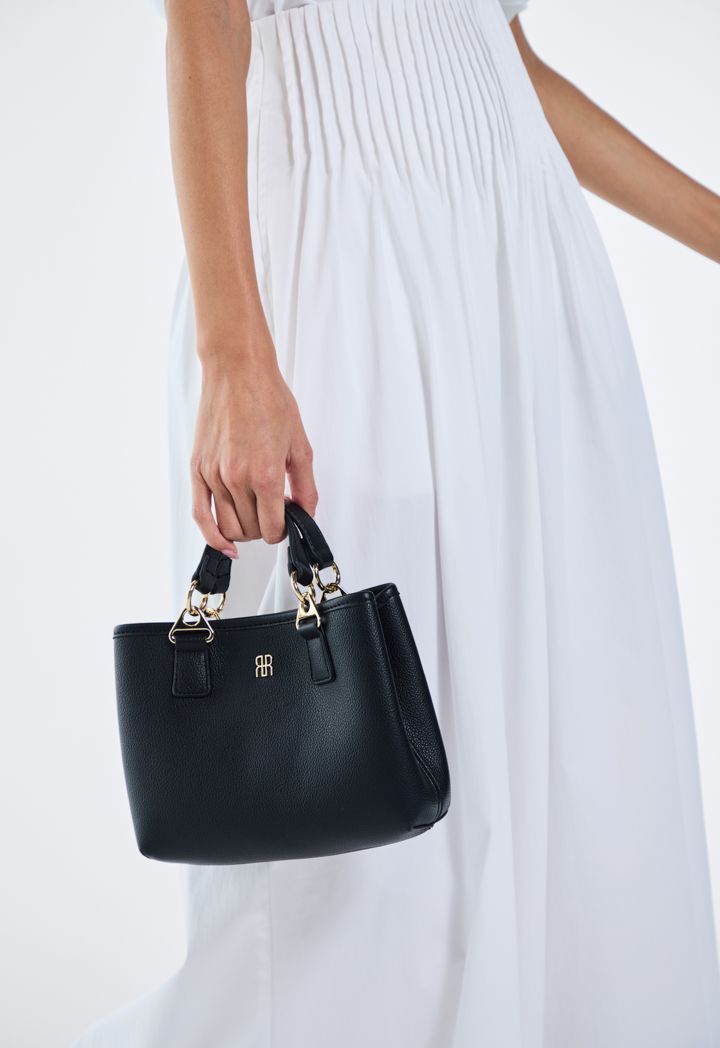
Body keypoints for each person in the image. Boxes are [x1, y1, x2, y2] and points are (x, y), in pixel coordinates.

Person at [73, 0, 720, 1044]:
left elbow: (503, 57)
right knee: (356, 790)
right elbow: (207, 21)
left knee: (563, 751)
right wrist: (233, 356)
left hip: (520, 256)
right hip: (339, 239)